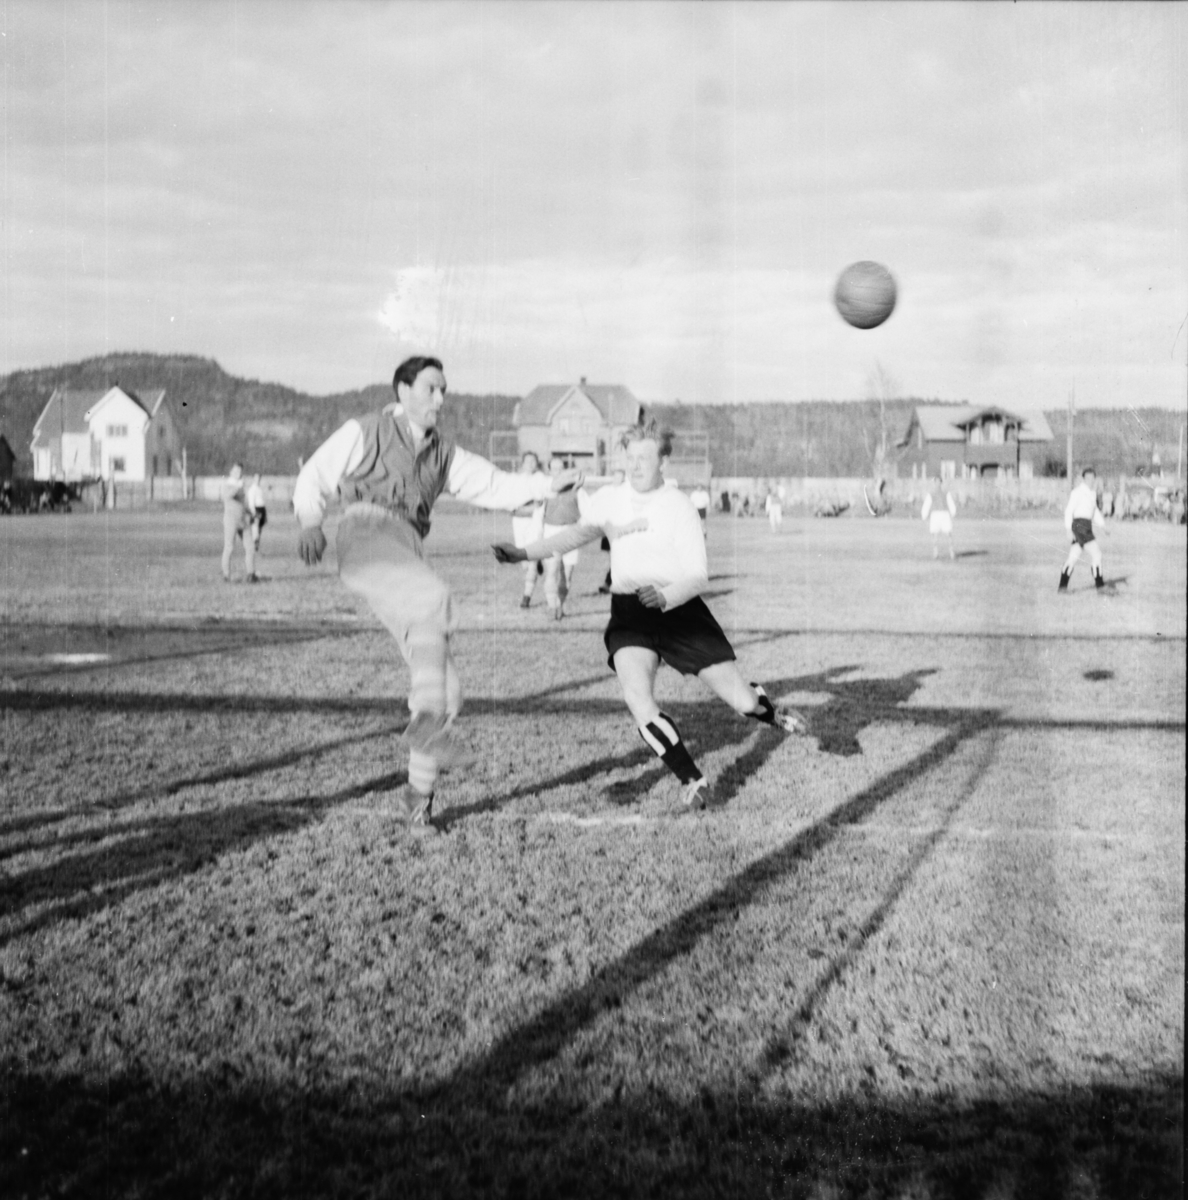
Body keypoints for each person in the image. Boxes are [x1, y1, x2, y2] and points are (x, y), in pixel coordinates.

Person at [293, 356, 580, 833]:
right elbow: (316, 475)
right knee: (434, 597)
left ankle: (418, 797)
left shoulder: (444, 452)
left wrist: (550, 484)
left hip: (407, 546)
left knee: (447, 688)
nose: (440, 399)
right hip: (365, 534)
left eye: (443, 390)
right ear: (403, 390)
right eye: (430, 389)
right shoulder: (366, 430)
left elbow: (494, 484)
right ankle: (425, 729)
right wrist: (309, 522)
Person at [492, 421, 809, 812]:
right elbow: (575, 535)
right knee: (637, 697)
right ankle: (692, 780)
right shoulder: (609, 498)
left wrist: (666, 595)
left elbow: (697, 574)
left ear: (663, 460)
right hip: (630, 613)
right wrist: (524, 553)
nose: (636, 464)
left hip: (680, 613)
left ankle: (768, 709)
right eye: (630, 456)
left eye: (645, 457)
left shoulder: (678, 506)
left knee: (742, 702)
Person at [542, 456, 582, 620]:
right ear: (549, 471)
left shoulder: (576, 488)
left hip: (571, 532)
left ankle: (560, 605)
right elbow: (538, 514)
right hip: (551, 531)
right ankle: (552, 607)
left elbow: (586, 512)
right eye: (554, 468)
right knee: (551, 571)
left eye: (561, 468)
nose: (558, 472)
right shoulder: (544, 489)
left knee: (567, 574)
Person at [1059, 467, 1106, 592]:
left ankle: (1062, 588)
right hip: (1079, 527)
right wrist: (1068, 530)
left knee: (1073, 557)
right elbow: (1069, 511)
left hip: (1087, 526)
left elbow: (1094, 511)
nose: (1091, 481)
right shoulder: (1077, 492)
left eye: (1092, 478)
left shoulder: (1092, 493)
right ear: (1084, 479)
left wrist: (1103, 526)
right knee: (1097, 554)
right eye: (1088, 478)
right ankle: (1100, 587)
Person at [510, 452, 545, 609]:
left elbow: (539, 504)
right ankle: (537, 562)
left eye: (534, 461)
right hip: (519, 523)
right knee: (524, 563)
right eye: (528, 461)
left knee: (531, 560)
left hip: (535, 522)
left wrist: (526, 508)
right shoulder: (515, 479)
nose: (531, 464)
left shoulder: (540, 479)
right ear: (522, 463)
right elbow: (512, 507)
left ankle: (526, 596)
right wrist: (522, 508)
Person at [221, 463, 257, 582]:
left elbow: (244, 503)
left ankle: (251, 574)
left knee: (250, 547)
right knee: (229, 547)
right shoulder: (227, 485)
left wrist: (251, 513)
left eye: (240, 471)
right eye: (236, 471)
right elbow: (227, 496)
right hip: (231, 520)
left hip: (243, 521)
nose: (239, 473)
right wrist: (238, 486)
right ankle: (226, 575)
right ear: (231, 472)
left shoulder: (241, 486)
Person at [921, 483, 956, 559]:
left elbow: (950, 503)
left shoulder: (946, 493)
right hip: (935, 515)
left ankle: (952, 552)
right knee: (934, 534)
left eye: (938, 482)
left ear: (941, 483)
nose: (937, 484)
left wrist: (953, 512)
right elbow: (927, 504)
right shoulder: (931, 494)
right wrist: (924, 515)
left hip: (944, 514)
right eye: (935, 482)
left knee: (949, 533)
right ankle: (935, 553)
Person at [246, 473, 267, 553]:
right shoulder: (252, 489)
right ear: (253, 479)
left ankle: (256, 546)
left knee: (259, 529)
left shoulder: (259, 488)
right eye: (256, 478)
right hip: (256, 509)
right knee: (255, 528)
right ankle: (253, 545)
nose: (258, 480)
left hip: (261, 509)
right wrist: (254, 512)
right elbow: (251, 502)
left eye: (259, 478)